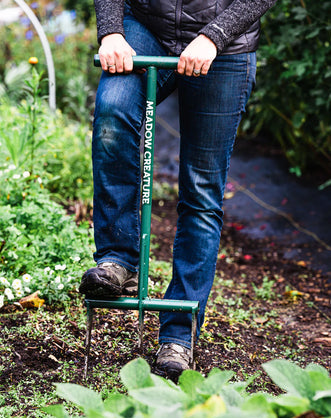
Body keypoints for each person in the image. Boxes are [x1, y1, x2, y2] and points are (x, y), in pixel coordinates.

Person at [79, 0, 277, 379]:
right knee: (112, 114)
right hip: (146, 25)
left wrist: (215, 35)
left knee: (201, 190)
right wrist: (111, 31)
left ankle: (177, 337)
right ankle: (118, 258)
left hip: (225, 45)